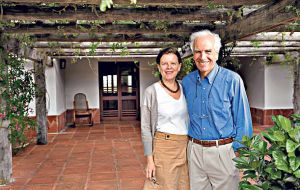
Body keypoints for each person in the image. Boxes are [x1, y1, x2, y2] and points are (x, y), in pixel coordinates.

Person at [182, 29, 253, 190]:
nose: (203, 56)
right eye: (198, 52)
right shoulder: (187, 82)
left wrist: (237, 152)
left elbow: (243, 119)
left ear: (216, 53)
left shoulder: (232, 80)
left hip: (223, 152)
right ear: (193, 54)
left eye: (208, 51)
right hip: (194, 151)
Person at [141, 47, 190, 190]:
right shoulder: (152, 91)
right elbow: (145, 128)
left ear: (179, 66)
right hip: (164, 147)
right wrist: (150, 160)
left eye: (173, 63)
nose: (169, 67)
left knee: (184, 186)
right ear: (158, 67)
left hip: (186, 147)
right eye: (164, 63)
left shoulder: (185, 87)